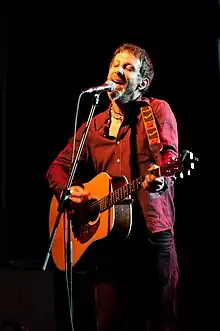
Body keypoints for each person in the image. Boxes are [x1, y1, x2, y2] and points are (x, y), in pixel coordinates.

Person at [46, 42, 180, 331]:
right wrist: (68, 194)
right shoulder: (92, 127)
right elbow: (56, 169)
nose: (118, 70)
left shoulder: (156, 111)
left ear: (142, 83)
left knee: (160, 323)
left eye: (128, 67)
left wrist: (161, 175)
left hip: (151, 239)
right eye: (115, 65)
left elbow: (168, 153)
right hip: (107, 247)